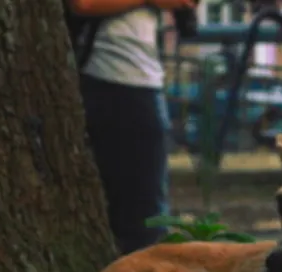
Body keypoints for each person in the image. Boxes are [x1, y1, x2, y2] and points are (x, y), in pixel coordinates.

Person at [67, 0, 197, 255]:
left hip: (134, 78)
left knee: (142, 212)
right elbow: (84, 3)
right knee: (144, 218)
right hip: (116, 80)